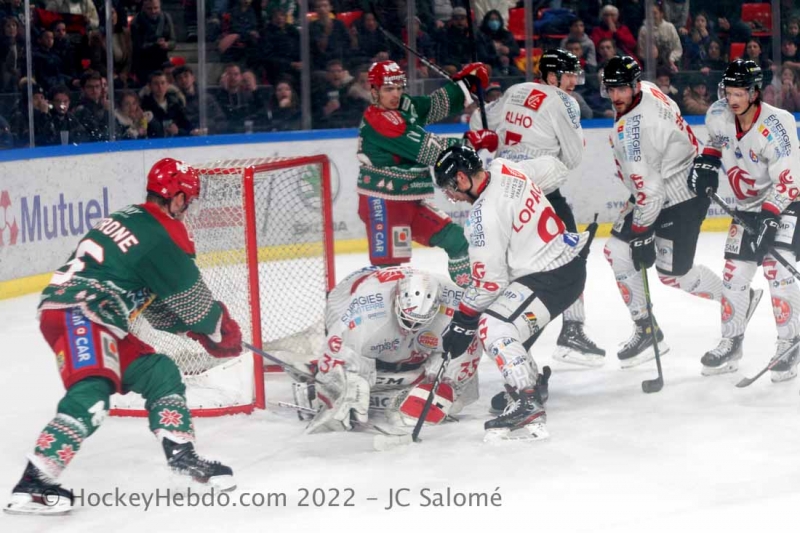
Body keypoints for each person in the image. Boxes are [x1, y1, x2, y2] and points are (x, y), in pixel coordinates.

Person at [4, 159, 243, 515]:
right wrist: (218, 328)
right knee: (93, 391)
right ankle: (33, 483)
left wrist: (190, 329)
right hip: (82, 314)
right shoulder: (163, 233)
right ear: (176, 197)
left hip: (94, 313)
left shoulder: (131, 217)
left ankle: (182, 456)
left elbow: (154, 305)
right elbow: (196, 304)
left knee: (158, 371)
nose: (187, 208)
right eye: (187, 200)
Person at [432, 145, 594, 442]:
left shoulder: (482, 217)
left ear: (462, 178)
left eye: (449, 188)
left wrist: (462, 319)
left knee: (493, 326)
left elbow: (489, 282)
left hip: (550, 278)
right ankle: (531, 382)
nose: (450, 196)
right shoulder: (506, 168)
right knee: (505, 314)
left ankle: (527, 400)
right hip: (567, 263)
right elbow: (556, 169)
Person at [601, 55, 742, 369]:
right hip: (661, 186)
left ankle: (735, 301)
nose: (615, 97)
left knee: (673, 275)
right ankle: (645, 328)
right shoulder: (647, 91)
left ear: (635, 85)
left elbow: (651, 194)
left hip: (678, 198)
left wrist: (640, 235)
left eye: (621, 89)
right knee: (616, 251)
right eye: (611, 89)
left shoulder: (634, 133)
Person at [470, 49, 604, 367]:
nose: (573, 81)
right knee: (568, 261)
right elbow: (572, 158)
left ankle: (506, 342)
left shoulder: (516, 90)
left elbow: (479, 119)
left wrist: (492, 137)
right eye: (569, 74)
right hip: (540, 196)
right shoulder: (564, 102)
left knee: (513, 269)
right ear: (552, 76)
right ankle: (571, 331)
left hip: (502, 191)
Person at [687, 59, 800, 380]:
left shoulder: (778, 124)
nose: (733, 99)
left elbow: (791, 181)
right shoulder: (719, 115)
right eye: (729, 91)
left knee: (777, 269)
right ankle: (731, 340)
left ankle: (789, 343)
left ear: (755, 93)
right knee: (734, 275)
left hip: (787, 201)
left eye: (740, 92)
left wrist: (771, 217)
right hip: (748, 205)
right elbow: (715, 144)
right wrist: (706, 165)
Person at [356, 59, 497, 287]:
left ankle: (471, 301)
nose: (395, 94)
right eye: (388, 89)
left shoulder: (402, 106)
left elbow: (434, 105)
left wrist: (465, 84)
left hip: (409, 201)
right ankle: (380, 319)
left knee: (458, 242)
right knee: (390, 274)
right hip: (384, 204)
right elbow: (427, 149)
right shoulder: (379, 119)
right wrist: (471, 141)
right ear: (374, 90)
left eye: (399, 88)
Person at [298, 266, 483, 433]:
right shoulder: (366, 311)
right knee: (348, 368)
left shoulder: (455, 305)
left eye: (419, 322)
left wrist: (447, 385)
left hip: (401, 302)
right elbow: (338, 342)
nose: (411, 326)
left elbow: (471, 344)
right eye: (408, 319)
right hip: (348, 293)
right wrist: (336, 382)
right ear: (396, 301)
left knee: (456, 390)